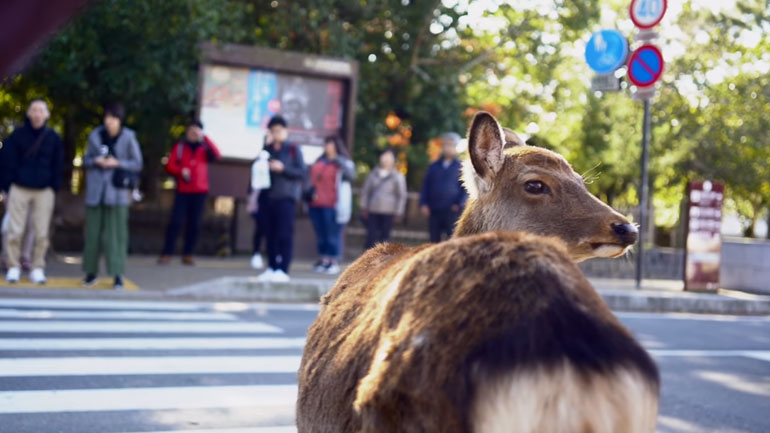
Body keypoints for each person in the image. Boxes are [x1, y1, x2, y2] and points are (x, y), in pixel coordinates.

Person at [0, 98, 63, 284]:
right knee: (14, 230)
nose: (37, 114)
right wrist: (7, 186)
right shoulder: (17, 135)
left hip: (44, 190)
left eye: (41, 110)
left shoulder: (53, 138)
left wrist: (54, 186)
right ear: (29, 113)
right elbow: (6, 161)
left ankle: (37, 267)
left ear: (47, 114)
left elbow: (58, 164)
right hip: (19, 187)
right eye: (34, 110)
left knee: (41, 232)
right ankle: (12, 266)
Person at [82, 102, 143, 289]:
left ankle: (118, 274)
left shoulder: (128, 137)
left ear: (119, 120)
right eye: (107, 117)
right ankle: (90, 273)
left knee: (116, 235)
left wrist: (117, 163)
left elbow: (137, 163)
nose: (110, 122)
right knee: (92, 234)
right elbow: (85, 159)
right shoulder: (95, 135)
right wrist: (95, 161)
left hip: (118, 194)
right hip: (96, 192)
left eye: (114, 118)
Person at [159, 120, 221, 265]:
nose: (193, 134)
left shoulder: (204, 148)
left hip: (200, 191)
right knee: (175, 221)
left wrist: (204, 138)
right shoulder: (180, 147)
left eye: (196, 131)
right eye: (191, 131)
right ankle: (166, 253)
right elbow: (170, 165)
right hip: (183, 190)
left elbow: (217, 155)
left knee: (194, 224)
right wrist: (181, 171)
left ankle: (188, 253)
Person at [256, 115, 306, 282]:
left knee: (285, 234)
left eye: (279, 130)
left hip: (286, 197)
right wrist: (265, 147)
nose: (276, 133)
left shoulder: (293, 149)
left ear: (285, 131)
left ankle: (283, 269)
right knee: (270, 234)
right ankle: (271, 267)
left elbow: (301, 172)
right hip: (268, 197)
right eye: (273, 130)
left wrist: (283, 168)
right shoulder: (268, 150)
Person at [307, 136, 355, 275]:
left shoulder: (343, 163)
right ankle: (324, 259)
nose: (327, 147)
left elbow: (351, 176)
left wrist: (339, 161)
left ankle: (333, 260)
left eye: (330, 144)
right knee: (321, 234)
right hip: (315, 203)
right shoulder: (319, 161)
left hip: (333, 204)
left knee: (332, 234)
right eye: (326, 144)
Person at [419, 132, 467, 243]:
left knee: (452, 240)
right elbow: (426, 185)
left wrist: (458, 204)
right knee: (433, 240)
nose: (448, 148)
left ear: (456, 147)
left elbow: (464, 189)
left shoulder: (461, 166)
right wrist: (423, 203)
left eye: (451, 145)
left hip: (452, 210)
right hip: (434, 209)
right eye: (446, 145)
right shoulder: (433, 166)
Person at [360, 148, 407, 249]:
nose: (386, 159)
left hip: (389, 212)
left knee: (385, 238)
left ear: (393, 160)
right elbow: (366, 191)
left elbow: (401, 195)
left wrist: (399, 212)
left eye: (389, 157)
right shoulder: (373, 174)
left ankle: (383, 262)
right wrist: (364, 207)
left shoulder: (397, 176)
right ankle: (369, 261)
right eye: (384, 156)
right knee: (370, 238)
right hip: (373, 210)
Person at [248, 135, 271, 270]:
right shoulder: (259, 158)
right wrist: (251, 199)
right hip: (260, 198)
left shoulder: (279, 156)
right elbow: (252, 182)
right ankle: (256, 253)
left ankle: (272, 255)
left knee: (274, 230)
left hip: (274, 198)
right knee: (260, 227)